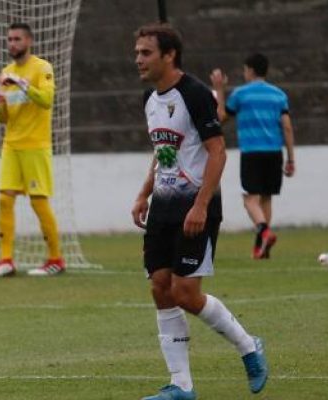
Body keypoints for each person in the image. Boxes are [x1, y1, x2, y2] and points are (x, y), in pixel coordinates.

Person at [131, 24, 268, 399]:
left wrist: (201, 205)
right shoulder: (149, 99)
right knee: (161, 289)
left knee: (186, 293)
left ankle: (248, 346)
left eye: (146, 52)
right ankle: (181, 386)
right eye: (137, 52)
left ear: (169, 55)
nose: (138, 59)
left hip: (196, 208)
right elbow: (163, 154)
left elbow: (217, 151)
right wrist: (144, 194)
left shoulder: (193, 94)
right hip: (162, 207)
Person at [0, 22, 64, 277]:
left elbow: (47, 101)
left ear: (28, 41)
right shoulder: (5, 72)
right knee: (4, 199)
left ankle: (55, 260)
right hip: (11, 145)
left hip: (35, 146)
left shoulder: (42, 68)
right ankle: (6, 260)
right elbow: (7, 116)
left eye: (17, 39)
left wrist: (21, 83)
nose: (12, 43)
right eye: (9, 39)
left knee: (39, 203)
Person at [210, 54, 295, 259]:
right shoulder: (279, 95)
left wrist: (220, 90)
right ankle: (262, 248)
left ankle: (264, 232)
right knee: (265, 198)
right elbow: (287, 127)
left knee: (249, 199)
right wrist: (291, 158)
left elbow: (220, 118)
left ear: (249, 70)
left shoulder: (241, 94)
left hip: (252, 152)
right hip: (274, 152)